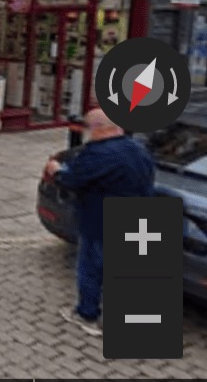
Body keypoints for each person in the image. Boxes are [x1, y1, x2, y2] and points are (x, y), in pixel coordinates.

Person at [45, 108, 155, 337]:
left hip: (101, 222)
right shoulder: (137, 149)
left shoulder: (98, 154)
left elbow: (71, 180)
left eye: (88, 129)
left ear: (97, 129)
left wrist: (55, 171)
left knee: (91, 268)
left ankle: (88, 315)